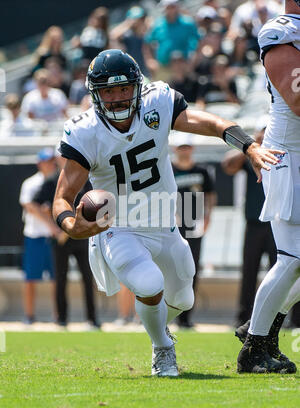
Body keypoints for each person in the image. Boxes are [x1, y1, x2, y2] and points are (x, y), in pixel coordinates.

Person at [52, 48, 283, 377]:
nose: (116, 98)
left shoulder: (157, 103)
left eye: (123, 89)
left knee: (184, 299)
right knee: (148, 283)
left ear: (137, 87)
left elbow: (208, 123)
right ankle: (163, 348)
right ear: (95, 94)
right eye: (107, 91)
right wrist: (70, 224)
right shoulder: (86, 131)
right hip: (120, 225)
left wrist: (248, 144)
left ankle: (157, 328)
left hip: (163, 222)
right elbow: (62, 196)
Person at [236, 0, 300, 374]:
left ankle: (259, 326)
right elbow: (297, 99)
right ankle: (254, 349)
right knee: (292, 258)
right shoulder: (281, 32)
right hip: (287, 158)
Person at [32, 152, 100, 329]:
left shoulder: (84, 178)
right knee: (60, 279)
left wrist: (79, 227)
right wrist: (55, 229)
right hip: (61, 240)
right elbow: (36, 205)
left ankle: (92, 319)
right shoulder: (52, 180)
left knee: (88, 277)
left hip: (82, 237)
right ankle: (61, 319)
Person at [222, 119, 277, 327]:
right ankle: (244, 316)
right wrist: (251, 147)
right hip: (254, 223)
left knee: (281, 272)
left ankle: (286, 319)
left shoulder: (279, 154)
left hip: (276, 223)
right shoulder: (251, 156)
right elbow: (227, 166)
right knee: (249, 271)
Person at [172, 133, 216, 328]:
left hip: (194, 226)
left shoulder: (202, 171)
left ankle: (186, 318)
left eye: (187, 147)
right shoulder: (168, 170)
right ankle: (167, 315)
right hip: (171, 227)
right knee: (170, 271)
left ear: (192, 148)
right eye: (181, 147)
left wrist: (207, 217)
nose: (184, 150)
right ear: (175, 149)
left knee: (191, 271)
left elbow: (210, 195)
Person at [19, 148, 58, 324]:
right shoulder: (30, 183)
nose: (50, 164)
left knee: (57, 278)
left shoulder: (59, 182)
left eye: (52, 160)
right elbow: (30, 206)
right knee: (30, 278)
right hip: (34, 236)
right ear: (39, 163)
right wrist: (50, 223)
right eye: (46, 161)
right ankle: (29, 316)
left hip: (53, 238)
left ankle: (58, 316)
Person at [144, 0, 200, 75]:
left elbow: (199, 41)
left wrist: (193, 61)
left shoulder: (188, 23)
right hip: (164, 68)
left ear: (178, 6)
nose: (171, 10)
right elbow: (146, 43)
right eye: (168, 7)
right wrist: (150, 61)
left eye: (173, 6)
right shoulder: (157, 25)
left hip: (184, 68)